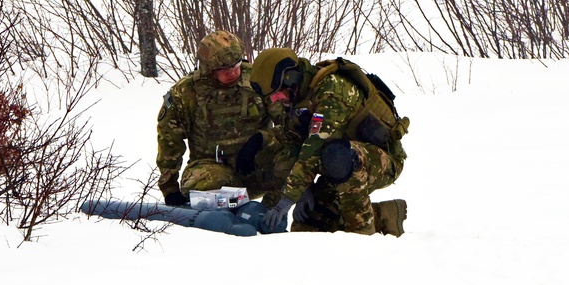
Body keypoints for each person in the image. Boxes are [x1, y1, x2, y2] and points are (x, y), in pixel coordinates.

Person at [248, 48, 409, 236]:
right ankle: (384, 215)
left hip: (378, 160)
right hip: (335, 166)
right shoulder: (295, 97)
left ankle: (362, 235)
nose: (274, 99)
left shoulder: (332, 89)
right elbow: (292, 144)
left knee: (339, 155)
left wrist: (288, 198)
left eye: (276, 92)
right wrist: (303, 191)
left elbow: (314, 146)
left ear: (290, 77)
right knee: (309, 226)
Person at [156, 31, 286, 206]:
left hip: (255, 165)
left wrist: (262, 139)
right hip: (211, 170)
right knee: (207, 183)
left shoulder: (257, 80)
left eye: (236, 65)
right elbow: (169, 141)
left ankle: (271, 216)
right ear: (208, 69)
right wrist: (169, 188)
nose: (233, 72)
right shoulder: (186, 93)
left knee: (289, 161)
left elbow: (289, 124)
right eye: (224, 69)